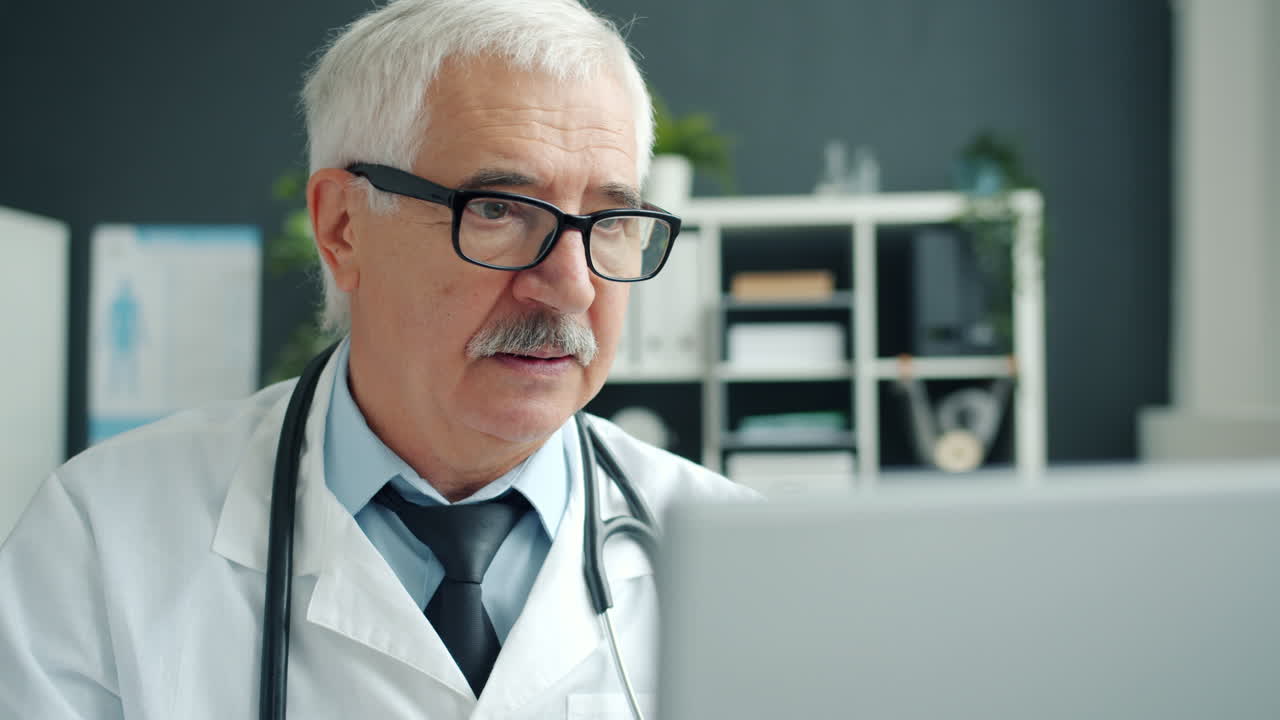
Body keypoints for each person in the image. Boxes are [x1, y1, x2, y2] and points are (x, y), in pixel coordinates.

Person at [0, 1, 751, 717]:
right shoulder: (99, 540)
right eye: (497, 209)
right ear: (342, 227)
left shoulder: (744, 562)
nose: (574, 285)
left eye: (609, 220)